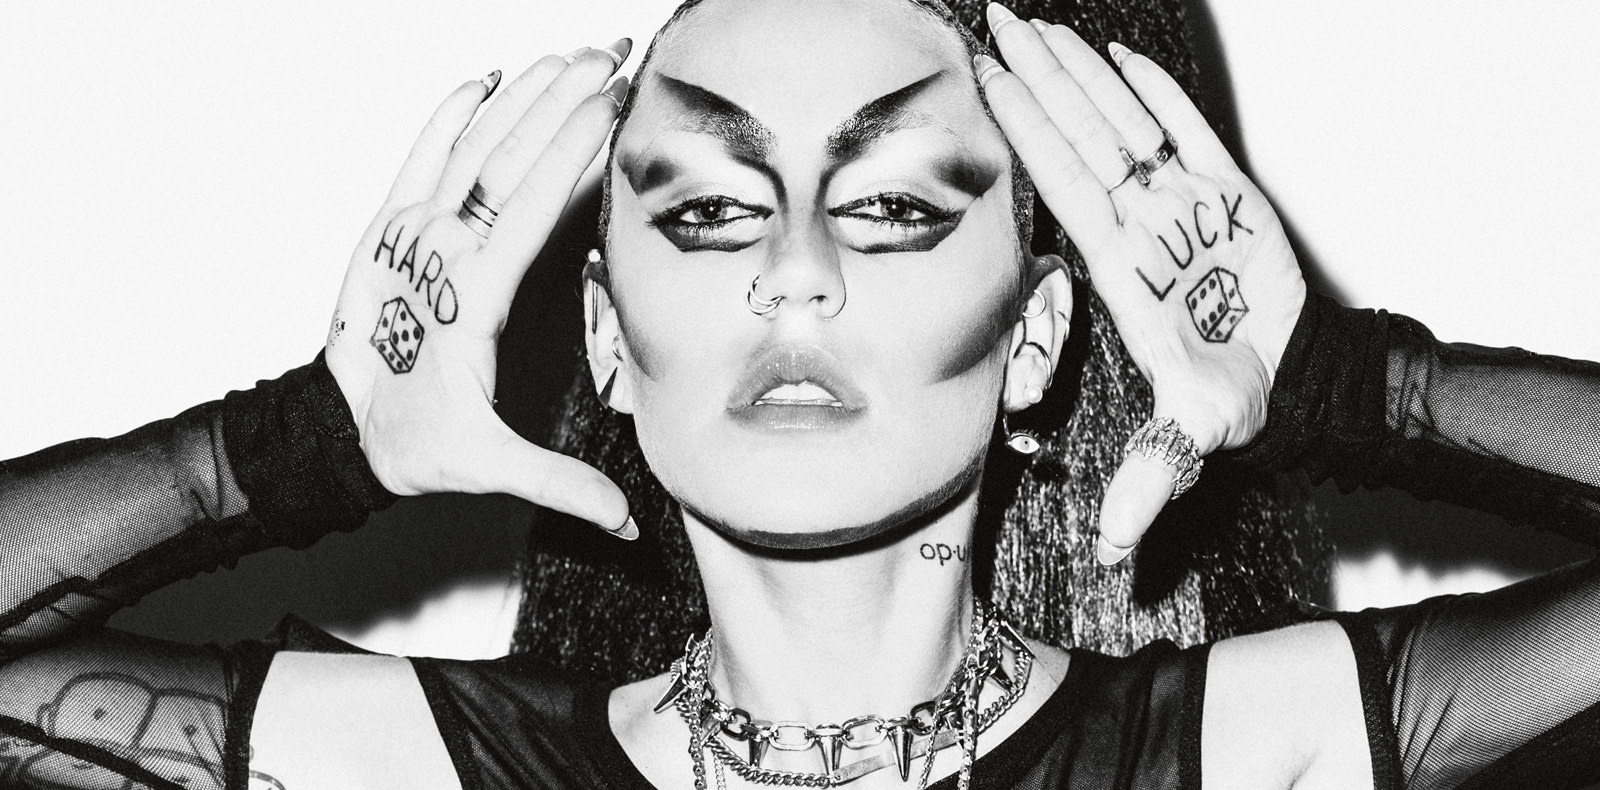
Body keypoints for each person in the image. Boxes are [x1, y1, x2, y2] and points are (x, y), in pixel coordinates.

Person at [2, 2, 1598, 790]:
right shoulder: (429, 766)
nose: (794, 272)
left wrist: (1344, 384)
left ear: (1037, 334)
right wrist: (294, 448)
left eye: (892, 203)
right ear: (606, 335)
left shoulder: (1242, 752)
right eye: (709, 208)